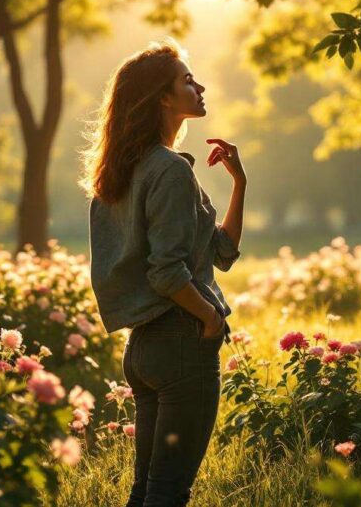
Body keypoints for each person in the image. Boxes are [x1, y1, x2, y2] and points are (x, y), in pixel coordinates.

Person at [82, 38, 246, 507]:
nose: (200, 87)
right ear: (163, 98)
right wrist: (210, 318)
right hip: (180, 343)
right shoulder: (169, 170)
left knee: (147, 492)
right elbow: (167, 272)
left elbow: (222, 252)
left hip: (143, 348)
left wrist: (239, 184)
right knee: (168, 494)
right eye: (187, 81)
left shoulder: (123, 170)